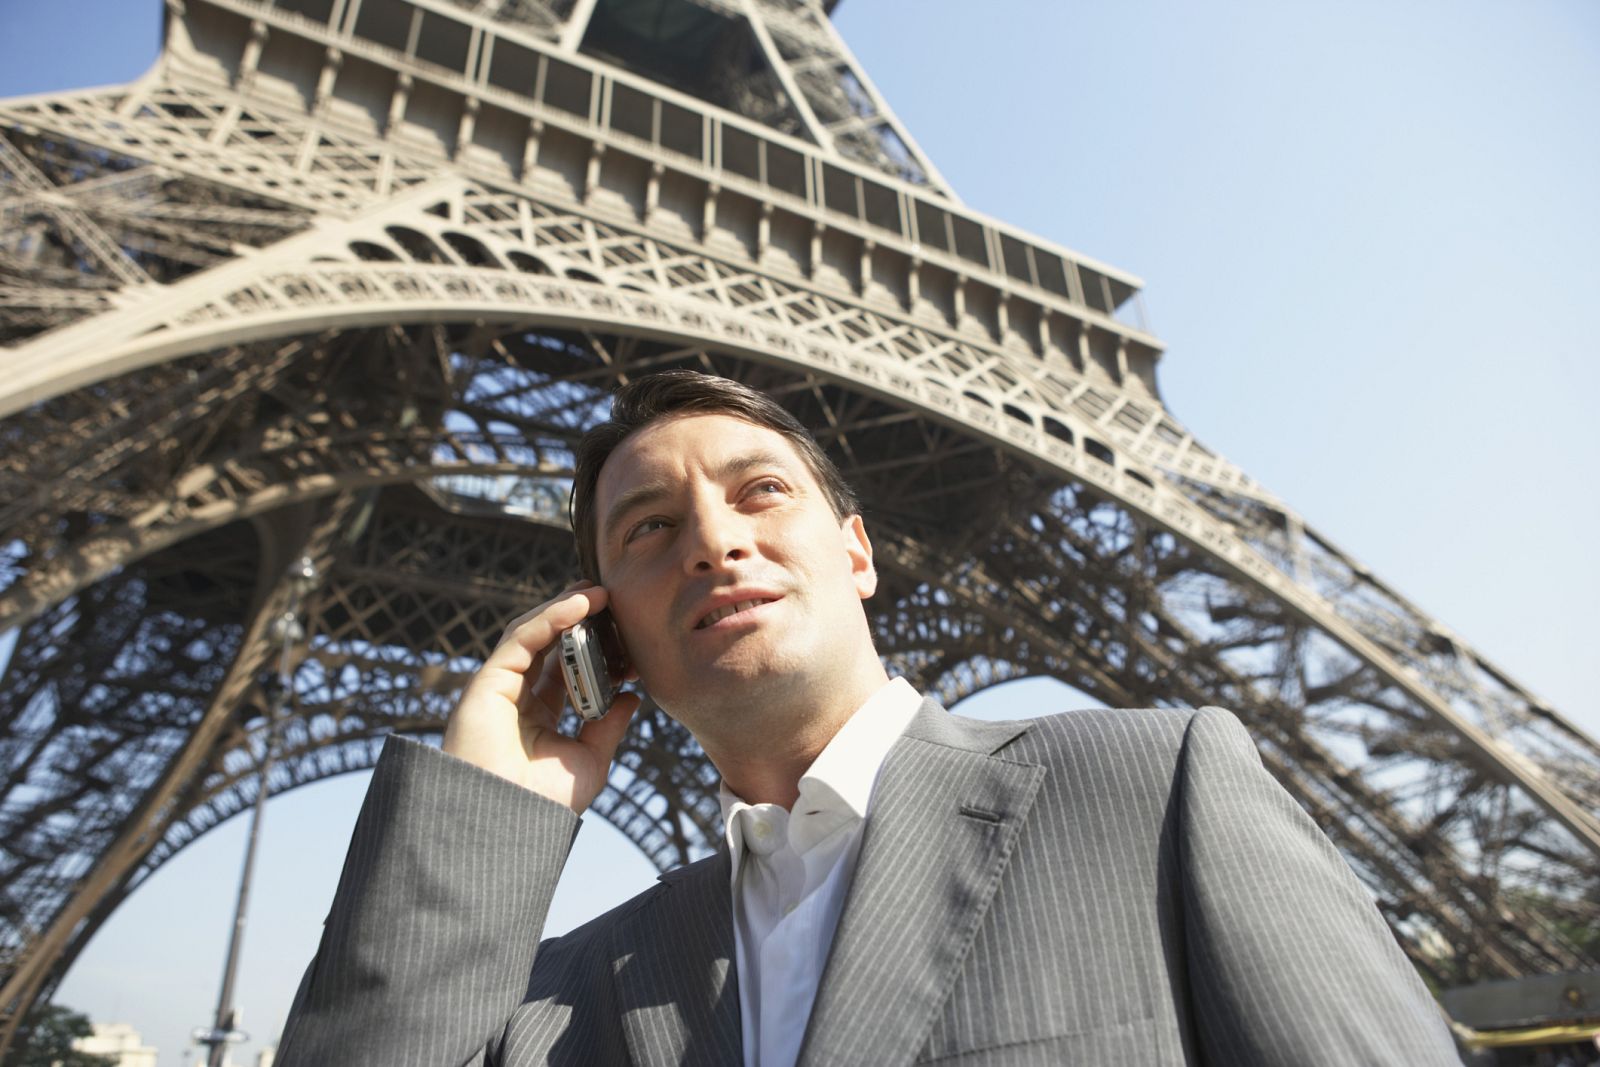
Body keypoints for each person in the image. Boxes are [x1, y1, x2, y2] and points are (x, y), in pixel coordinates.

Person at [276, 371, 1462, 1065]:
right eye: (646, 527)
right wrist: (495, 808)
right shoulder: (573, 988)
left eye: (760, 491)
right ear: (606, 631)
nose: (714, 537)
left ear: (856, 552)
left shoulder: (1148, 787)